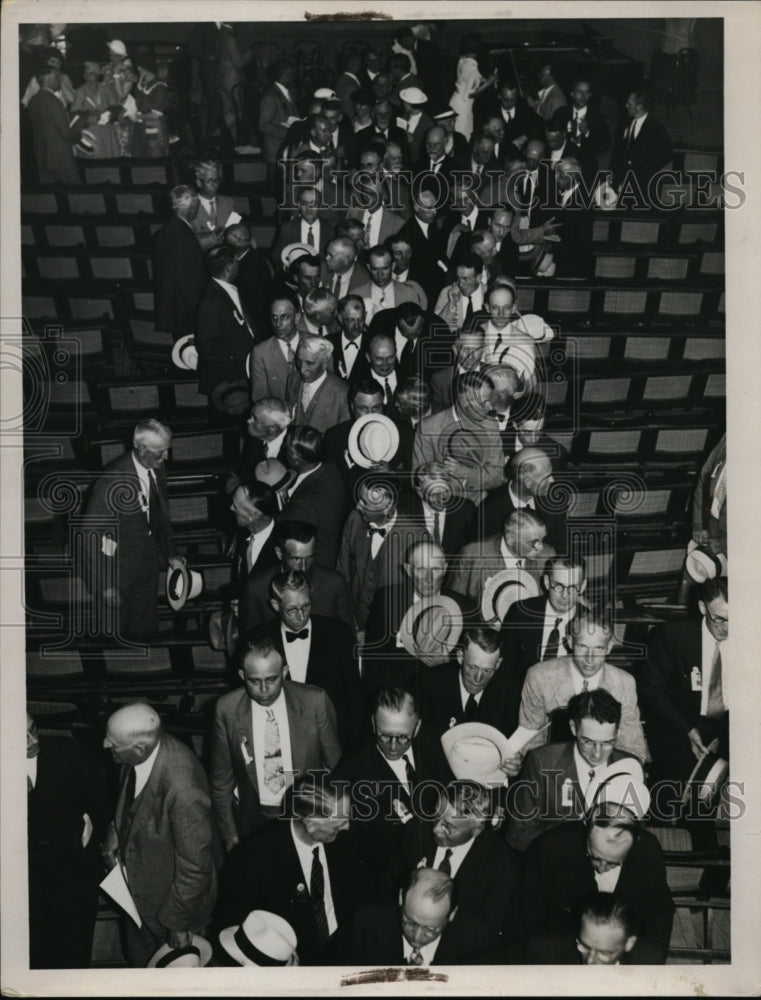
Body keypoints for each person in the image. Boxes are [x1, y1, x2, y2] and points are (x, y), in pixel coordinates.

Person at [101, 703, 220, 967]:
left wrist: (178, 923)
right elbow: (130, 796)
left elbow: (195, 867)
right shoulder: (139, 751)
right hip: (142, 895)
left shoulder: (183, 788)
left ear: (139, 749)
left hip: (172, 909)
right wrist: (114, 829)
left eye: (112, 743)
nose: (105, 745)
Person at [215, 777, 372, 965]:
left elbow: (364, 895)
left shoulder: (346, 840)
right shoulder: (253, 858)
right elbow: (233, 927)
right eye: (337, 825)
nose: (347, 827)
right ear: (310, 823)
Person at [210, 634, 341, 851]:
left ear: (285, 672)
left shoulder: (314, 702)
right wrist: (231, 837)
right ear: (242, 675)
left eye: (272, 679)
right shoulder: (226, 709)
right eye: (254, 681)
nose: (263, 690)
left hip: (307, 815)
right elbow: (221, 784)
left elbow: (336, 768)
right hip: (255, 819)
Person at [522, 792, 674, 962]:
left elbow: (658, 918)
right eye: (594, 857)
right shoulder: (550, 848)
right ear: (587, 828)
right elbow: (530, 921)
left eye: (612, 863)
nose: (601, 869)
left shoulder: (648, 851)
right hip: (565, 952)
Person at [332, 688, 452, 882]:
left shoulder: (439, 743)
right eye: (385, 736)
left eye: (404, 737)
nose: (393, 746)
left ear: (418, 726)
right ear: (373, 723)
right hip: (386, 881)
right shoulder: (350, 773)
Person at [388, 780, 521, 950]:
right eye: (436, 816)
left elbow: (489, 933)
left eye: (448, 826)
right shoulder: (415, 833)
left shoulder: (502, 864)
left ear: (477, 829)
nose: (435, 829)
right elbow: (389, 895)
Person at [506, 688, 641, 852]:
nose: (597, 753)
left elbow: (636, 835)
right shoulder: (542, 762)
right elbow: (519, 835)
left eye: (607, 743)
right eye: (588, 742)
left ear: (617, 732)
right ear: (573, 728)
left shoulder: (630, 766)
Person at [84, 419, 184, 636]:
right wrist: (105, 586)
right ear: (141, 449)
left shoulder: (156, 466)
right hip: (116, 569)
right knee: (114, 636)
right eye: (161, 452)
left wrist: (171, 553)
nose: (166, 457)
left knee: (145, 630)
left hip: (147, 562)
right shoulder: (111, 482)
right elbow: (89, 536)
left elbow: (161, 515)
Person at [27, 712, 108, 969]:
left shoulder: (69, 753)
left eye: (33, 729)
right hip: (22, 877)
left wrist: (89, 843)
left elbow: (102, 807)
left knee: (72, 953)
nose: (31, 740)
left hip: (71, 873)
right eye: (19, 737)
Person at [639, 577, 729, 798]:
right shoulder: (672, 636)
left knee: (712, 801)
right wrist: (687, 730)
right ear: (702, 607)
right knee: (667, 797)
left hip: (727, 728)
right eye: (719, 618)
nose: (727, 628)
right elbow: (651, 688)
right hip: (679, 726)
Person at [519, 611, 649, 764]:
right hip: (552, 766)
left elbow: (632, 746)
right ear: (569, 642)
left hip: (604, 767)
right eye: (582, 646)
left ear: (609, 648)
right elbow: (529, 740)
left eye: (599, 648)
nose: (590, 658)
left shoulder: (624, 683)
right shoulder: (539, 676)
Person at [255, 570, 364, 748]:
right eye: (292, 609)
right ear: (275, 605)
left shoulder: (339, 634)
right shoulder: (258, 640)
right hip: (281, 741)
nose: (301, 615)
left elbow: (354, 696)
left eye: (306, 606)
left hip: (334, 739)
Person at [363, 538, 478, 694]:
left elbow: (475, 663)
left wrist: (450, 662)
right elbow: (373, 659)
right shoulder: (387, 600)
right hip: (396, 695)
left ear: (445, 569)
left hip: (441, 695)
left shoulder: (466, 609)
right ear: (408, 570)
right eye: (421, 569)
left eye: (436, 569)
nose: (429, 579)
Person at [334, 866, 497, 965]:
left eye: (431, 929)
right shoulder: (364, 924)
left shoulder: (476, 939)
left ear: (452, 914)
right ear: (400, 898)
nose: (417, 937)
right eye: (409, 922)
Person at [239, 520, 354, 635]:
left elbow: (348, 636)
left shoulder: (335, 583)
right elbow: (251, 642)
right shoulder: (256, 587)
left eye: (310, 557)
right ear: (279, 553)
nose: (303, 567)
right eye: (296, 559)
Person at [413, 369, 508, 505]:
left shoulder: (490, 425)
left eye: (489, 400)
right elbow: (419, 481)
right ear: (463, 401)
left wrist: (464, 472)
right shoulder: (428, 428)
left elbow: (499, 476)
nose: (489, 407)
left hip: (478, 506)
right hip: (441, 506)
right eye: (483, 403)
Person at [422, 626, 523, 740]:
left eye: (487, 670)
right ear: (460, 657)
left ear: (498, 664)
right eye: (472, 667)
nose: (478, 678)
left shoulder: (510, 693)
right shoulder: (428, 686)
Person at [500, 555, 588, 685]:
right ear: (547, 582)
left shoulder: (591, 623)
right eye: (558, 586)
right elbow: (505, 669)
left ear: (583, 586)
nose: (565, 595)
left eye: (573, 587)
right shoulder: (520, 612)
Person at [448, 509, 552, 611]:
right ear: (511, 538)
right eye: (534, 542)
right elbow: (454, 604)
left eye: (543, 539)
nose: (541, 547)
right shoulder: (473, 555)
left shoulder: (548, 556)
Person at [196, 245, 256, 418]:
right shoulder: (211, 301)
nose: (239, 265)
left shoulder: (229, 289)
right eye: (237, 262)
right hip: (227, 378)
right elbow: (207, 346)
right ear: (229, 267)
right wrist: (237, 365)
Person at [525, 892, 664, 964]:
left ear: (629, 943)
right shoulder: (545, 951)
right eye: (584, 946)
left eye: (604, 953)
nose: (590, 960)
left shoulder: (648, 960)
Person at [481, 446, 565, 550]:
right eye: (546, 477)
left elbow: (564, 548)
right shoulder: (489, 513)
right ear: (528, 483)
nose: (552, 480)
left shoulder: (554, 502)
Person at [153, 185, 207, 340]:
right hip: (186, 315)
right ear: (191, 206)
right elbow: (189, 284)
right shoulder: (184, 237)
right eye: (197, 204)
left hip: (174, 311)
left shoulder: (164, 232)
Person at [400, 462, 477, 559]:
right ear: (420, 492)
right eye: (434, 494)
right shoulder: (405, 513)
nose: (442, 499)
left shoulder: (466, 509)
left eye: (445, 491)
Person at [611, 89, 673, 203]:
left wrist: (648, 168)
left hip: (643, 182)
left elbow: (667, 154)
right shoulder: (624, 123)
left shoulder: (656, 128)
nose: (626, 105)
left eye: (629, 104)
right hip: (623, 179)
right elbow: (618, 151)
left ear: (639, 107)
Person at [27, 63, 83, 184]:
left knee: (51, 197)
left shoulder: (33, 101)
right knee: (75, 193)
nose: (59, 81)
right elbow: (66, 133)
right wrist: (78, 132)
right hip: (61, 156)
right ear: (48, 81)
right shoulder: (53, 102)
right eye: (57, 78)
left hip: (42, 155)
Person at [285, 337, 350, 434]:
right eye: (299, 361)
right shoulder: (293, 379)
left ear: (324, 364)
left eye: (309, 363)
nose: (302, 369)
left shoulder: (343, 393)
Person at [250, 295, 301, 402]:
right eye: (274, 318)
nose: (278, 324)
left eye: (284, 317)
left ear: (297, 318)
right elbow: (260, 398)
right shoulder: (261, 353)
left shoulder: (317, 344)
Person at [448, 34, 495, 142]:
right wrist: (488, 83)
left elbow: (467, 78)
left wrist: (483, 80)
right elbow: (470, 94)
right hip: (463, 106)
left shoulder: (462, 60)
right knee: (461, 136)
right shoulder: (473, 68)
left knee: (456, 134)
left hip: (455, 100)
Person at [191, 160, 237, 250]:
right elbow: (188, 242)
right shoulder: (189, 207)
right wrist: (213, 236)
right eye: (209, 181)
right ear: (199, 183)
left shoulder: (228, 202)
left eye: (217, 180)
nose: (215, 185)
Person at [327, 296, 370, 382]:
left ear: (365, 315)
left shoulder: (373, 343)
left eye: (360, 319)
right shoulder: (328, 343)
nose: (356, 325)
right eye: (350, 320)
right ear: (340, 318)